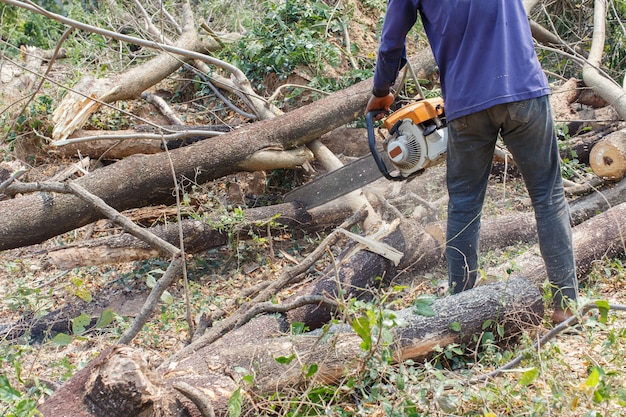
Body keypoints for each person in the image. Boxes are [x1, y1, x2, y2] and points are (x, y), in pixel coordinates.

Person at [364, 0, 578, 324]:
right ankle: (566, 306)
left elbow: (392, 41)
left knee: (464, 205)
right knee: (549, 197)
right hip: (524, 89)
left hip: (467, 103)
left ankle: (460, 310)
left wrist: (382, 91)